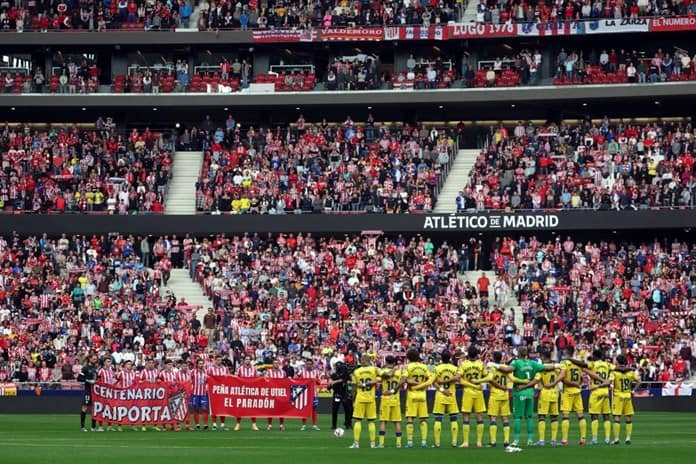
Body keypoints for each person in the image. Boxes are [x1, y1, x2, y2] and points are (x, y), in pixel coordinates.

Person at [503, 345, 548, 446]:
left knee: (518, 417)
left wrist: (497, 366)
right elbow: (546, 367)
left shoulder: (516, 362)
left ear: (518, 353)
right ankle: (530, 440)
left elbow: (507, 370)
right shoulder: (533, 363)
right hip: (530, 392)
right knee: (529, 417)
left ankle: (516, 440)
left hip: (519, 392)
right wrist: (558, 366)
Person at [349, 354, 381, 449]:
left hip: (360, 398)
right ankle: (372, 444)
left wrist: (353, 400)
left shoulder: (357, 371)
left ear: (363, 360)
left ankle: (356, 443)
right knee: (371, 421)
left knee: (358, 420)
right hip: (371, 398)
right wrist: (375, 381)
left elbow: (354, 388)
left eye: (361, 359)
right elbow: (383, 376)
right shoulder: (374, 369)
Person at [458, 346, 487, 448]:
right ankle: (479, 442)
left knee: (466, 416)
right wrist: (477, 384)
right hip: (478, 392)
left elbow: (460, 379)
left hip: (468, 392)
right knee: (479, 416)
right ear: (477, 354)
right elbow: (486, 376)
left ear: (468, 355)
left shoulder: (464, 364)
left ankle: (466, 442)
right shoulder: (481, 364)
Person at [584, 349, 614, 445]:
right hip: (605, 392)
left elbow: (584, 367)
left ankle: (594, 439)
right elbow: (616, 368)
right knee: (606, 416)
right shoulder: (607, 365)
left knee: (594, 416)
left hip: (596, 391)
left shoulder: (592, 364)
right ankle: (607, 439)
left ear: (595, 356)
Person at [404, 348, 432, 448]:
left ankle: (410, 442)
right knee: (423, 419)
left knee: (410, 418)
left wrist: (416, 383)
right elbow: (430, 378)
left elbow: (406, 380)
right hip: (422, 394)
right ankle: (424, 442)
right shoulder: (424, 367)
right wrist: (422, 384)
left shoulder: (407, 367)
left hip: (412, 393)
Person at [559, 346, 587, 446]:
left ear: (566, 352)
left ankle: (565, 439)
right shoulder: (578, 363)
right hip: (577, 391)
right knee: (580, 416)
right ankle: (583, 438)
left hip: (568, 391)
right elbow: (581, 378)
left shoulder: (564, 363)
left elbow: (563, 379)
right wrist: (577, 383)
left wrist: (572, 383)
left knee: (565, 416)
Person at [534, 347, 561, 446]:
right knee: (554, 417)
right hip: (555, 393)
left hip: (545, 393)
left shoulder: (541, 368)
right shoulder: (556, 367)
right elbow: (562, 375)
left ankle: (541, 440)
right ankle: (553, 440)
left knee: (542, 417)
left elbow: (536, 380)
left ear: (542, 357)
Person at [432, 351, 459, 448]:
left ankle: (437, 443)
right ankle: (454, 442)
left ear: (441, 358)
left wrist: (442, 389)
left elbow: (434, 382)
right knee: (453, 419)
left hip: (440, 395)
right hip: (451, 395)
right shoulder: (455, 368)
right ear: (450, 358)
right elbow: (458, 379)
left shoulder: (437, 368)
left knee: (438, 419)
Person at [486, 351, 513, 447]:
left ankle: (493, 441)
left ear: (493, 358)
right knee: (505, 418)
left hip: (495, 395)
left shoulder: (492, 368)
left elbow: (490, 381)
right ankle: (506, 441)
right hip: (505, 395)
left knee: (493, 418)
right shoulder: (505, 368)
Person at [611, 355, 639, 445]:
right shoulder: (630, 372)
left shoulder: (614, 372)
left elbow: (610, 382)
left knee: (617, 417)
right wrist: (633, 390)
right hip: (627, 395)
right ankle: (628, 438)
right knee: (628, 418)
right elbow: (639, 381)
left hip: (618, 396)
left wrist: (610, 386)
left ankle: (616, 439)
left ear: (618, 362)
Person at [378, 355, 404, 448]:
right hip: (395, 399)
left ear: (386, 362)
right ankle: (398, 443)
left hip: (385, 399)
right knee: (397, 422)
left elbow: (379, 379)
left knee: (383, 421)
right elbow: (402, 382)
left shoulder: (382, 371)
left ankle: (381, 443)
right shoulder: (399, 372)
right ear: (394, 362)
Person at [234, 355, 259, 431]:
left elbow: (256, 379)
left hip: (251, 390)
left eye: (249, 359)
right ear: (244, 360)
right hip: (242, 390)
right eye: (246, 359)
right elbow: (235, 378)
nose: (248, 360)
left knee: (252, 408)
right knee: (240, 407)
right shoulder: (240, 369)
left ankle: (254, 424)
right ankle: (238, 424)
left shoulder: (254, 369)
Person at [297, 358, 321, 431]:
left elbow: (319, 382)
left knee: (314, 409)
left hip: (313, 393)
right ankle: (303, 425)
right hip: (305, 393)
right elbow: (297, 380)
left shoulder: (316, 372)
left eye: (310, 364)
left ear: (312, 365)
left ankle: (314, 425)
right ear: (305, 364)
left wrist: (315, 380)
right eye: (307, 364)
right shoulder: (302, 371)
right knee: (304, 409)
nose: (309, 365)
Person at [328, 361, 353, 431]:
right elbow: (329, 386)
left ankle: (348, 423)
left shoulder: (346, 375)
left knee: (348, 410)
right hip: (337, 394)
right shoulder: (334, 375)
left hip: (345, 394)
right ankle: (334, 425)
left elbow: (348, 383)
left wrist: (350, 392)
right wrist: (329, 384)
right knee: (335, 410)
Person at [78, 353, 99, 432]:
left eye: (96, 359)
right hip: (88, 390)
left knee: (94, 408)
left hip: (95, 391)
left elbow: (97, 378)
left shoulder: (95, 368)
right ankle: (82, 426)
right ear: (89, 359)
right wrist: (88, 381)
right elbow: (79, 378)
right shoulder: (85, 368)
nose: (95, 360)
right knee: (85, 407)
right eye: (94, 359)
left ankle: (93, 427)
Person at [207, 355, 229, 430]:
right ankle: (214, 424)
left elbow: (228, 378)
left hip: (223, 390)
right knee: (214, 407)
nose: (219, 361)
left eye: (220, 360)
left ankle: (223, 424)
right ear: (215, 360)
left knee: (222, 407)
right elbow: (208, 378)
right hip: (214, 391)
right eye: (218, 360)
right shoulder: (210, 369)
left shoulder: (225, 369)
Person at [265, 358, 287, 431]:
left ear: (279, 364)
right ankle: (269, 425)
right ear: (272, 364)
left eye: (277, 363)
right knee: (270, 409)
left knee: (281, 410)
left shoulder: (283, 372)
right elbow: (266, 381)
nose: (276, 364)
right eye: (274, 363)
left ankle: (281, 425)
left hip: (280, 393)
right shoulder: (269, 372)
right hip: (271, 392)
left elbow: (286, 382)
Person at [97, 357, 117, 431]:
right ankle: (100, 426)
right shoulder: (101, 370)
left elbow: (114, 379)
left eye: (110, 361)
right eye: (108, 361)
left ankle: (109, 426)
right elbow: (98, 380)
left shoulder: (111, 370)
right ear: (104, 362)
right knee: (102, 409)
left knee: (110, 409)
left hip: (110, 392)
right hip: (103, 392)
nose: (109, 363)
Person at [190, 359, 210, 431]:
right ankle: (197, 425)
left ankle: (205, 425)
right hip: (195, 393)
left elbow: (209, 380)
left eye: (202, 363)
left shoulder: (206, 371)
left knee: (204, 408)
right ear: (197, 364)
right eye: (200, 364)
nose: (201, 365)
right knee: (196, 409)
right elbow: (189, 381)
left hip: (203, 393)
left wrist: (207, 387)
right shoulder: (193, 372)